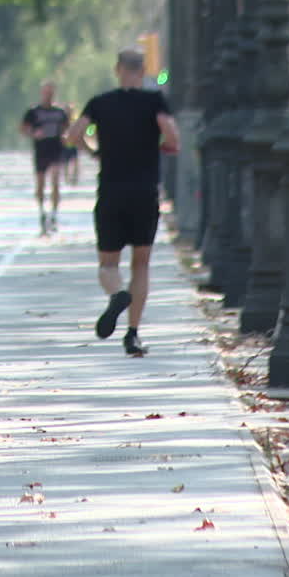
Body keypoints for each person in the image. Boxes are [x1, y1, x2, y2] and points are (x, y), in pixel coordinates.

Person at [64, 48, 180, 357]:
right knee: (141, 263)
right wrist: (165, 144)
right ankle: (132, 334)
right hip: (144, 192)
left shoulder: (100, 103)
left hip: (111, 191)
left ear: (118, 69)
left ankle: (117, 295)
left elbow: (73, 134)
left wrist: (92, 150)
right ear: (142, 71)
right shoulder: (154, 101)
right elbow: (171, 133)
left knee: (108, 264)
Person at [21, 83, 72, 234]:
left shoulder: (60, 112)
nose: (48, 96)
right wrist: (33, 134)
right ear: (41, 93)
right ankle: (42, 212)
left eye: (51, 93)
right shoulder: (33, 111)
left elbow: (66, 127)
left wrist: (65, 136)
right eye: (46, 93)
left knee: (56, 180)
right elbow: (23, 128)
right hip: (41, 151)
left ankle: (54, 214)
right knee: (41, 185)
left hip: (56, 150)